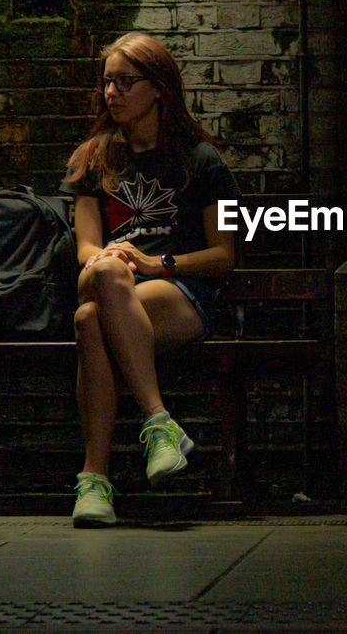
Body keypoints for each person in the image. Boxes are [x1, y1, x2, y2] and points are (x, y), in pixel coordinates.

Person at [59, 31, 239, 528]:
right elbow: (87, 248)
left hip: (180, 295)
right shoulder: (92, 160)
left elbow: (224, 255)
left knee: (88, 321)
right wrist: (112, 260)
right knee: (101, 290)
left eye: (125, 82)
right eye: (107, 83)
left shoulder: (202, 160)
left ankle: (94, 480)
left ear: (158, 87)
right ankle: (158, 423)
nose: (111, 93)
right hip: (112, 280)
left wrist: (159, 263)